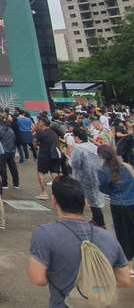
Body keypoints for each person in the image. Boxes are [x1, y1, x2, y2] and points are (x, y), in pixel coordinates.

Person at [27, 176, 130, 307]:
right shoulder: (108, 237)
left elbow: (38, 279)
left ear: (54, 201)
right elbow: (124, 280)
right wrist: (95, 285)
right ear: (85, 202)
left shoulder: (45, 234)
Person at [97, 145, 134, 275]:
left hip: (118, 205)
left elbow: (102, 188)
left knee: (123, 235)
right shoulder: (126, 166)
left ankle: (128, 266)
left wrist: (113, 192)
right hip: (132, 202)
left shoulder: (104, 170)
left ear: (101, 156)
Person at [69, 126, 105, 228]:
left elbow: (75, 164)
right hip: (96, 175)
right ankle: (96, 219)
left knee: (89, 200)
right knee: (94, 199)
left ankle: (100, 222)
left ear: (77, 137)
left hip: (84, 177)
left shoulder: (78, 148)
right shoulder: (93, 146)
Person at [34, 116, 61, 200]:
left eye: (39, 122)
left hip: (44, 155)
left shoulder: (40, 133)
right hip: (56, 155)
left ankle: (44, 192)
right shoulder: (54, 133)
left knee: (40, 173)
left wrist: (37, 145)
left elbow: (34, 142)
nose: (37, 123)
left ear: (42, 123)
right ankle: (58, 194)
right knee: (54, 174)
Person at [0, 116, 19, 189]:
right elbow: (14, 139)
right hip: (11, 150)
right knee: (13, 167)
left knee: (3, 167)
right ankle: (16, 183)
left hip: (2, 151)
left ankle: (5, 184)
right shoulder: (10, 129)